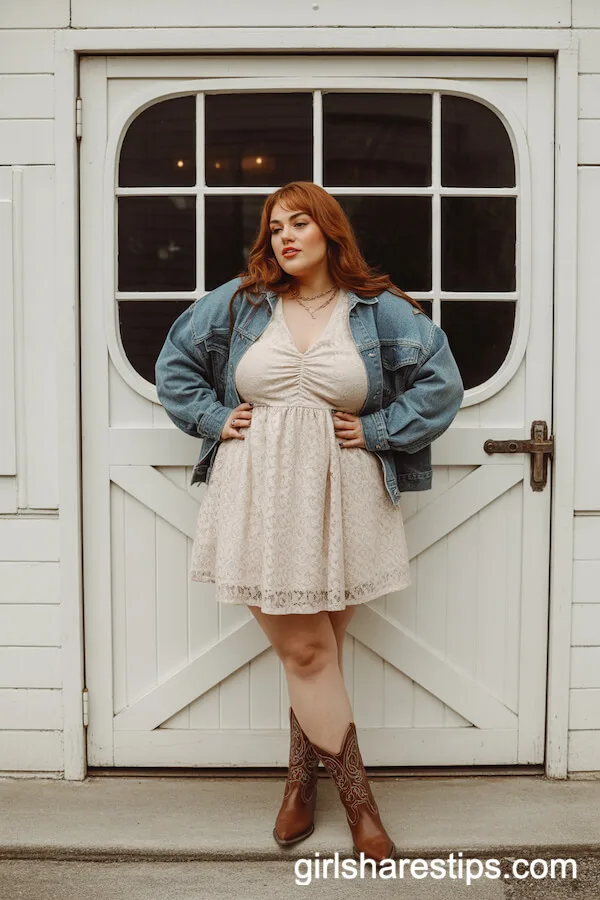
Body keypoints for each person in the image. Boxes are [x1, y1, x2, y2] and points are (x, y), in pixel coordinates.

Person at [155, 181, 464, 865]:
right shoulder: (241, 304)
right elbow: (174, 366)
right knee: (308, 654)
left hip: (346, 496)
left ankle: (301, 782)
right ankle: (361, 806)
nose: (284, 237)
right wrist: (213, 418)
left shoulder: (379, 310)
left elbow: (442, 383)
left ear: (330, 231)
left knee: (319, 651)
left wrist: (381, 429)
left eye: (299, 224)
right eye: (274, 228)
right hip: (259, 495)